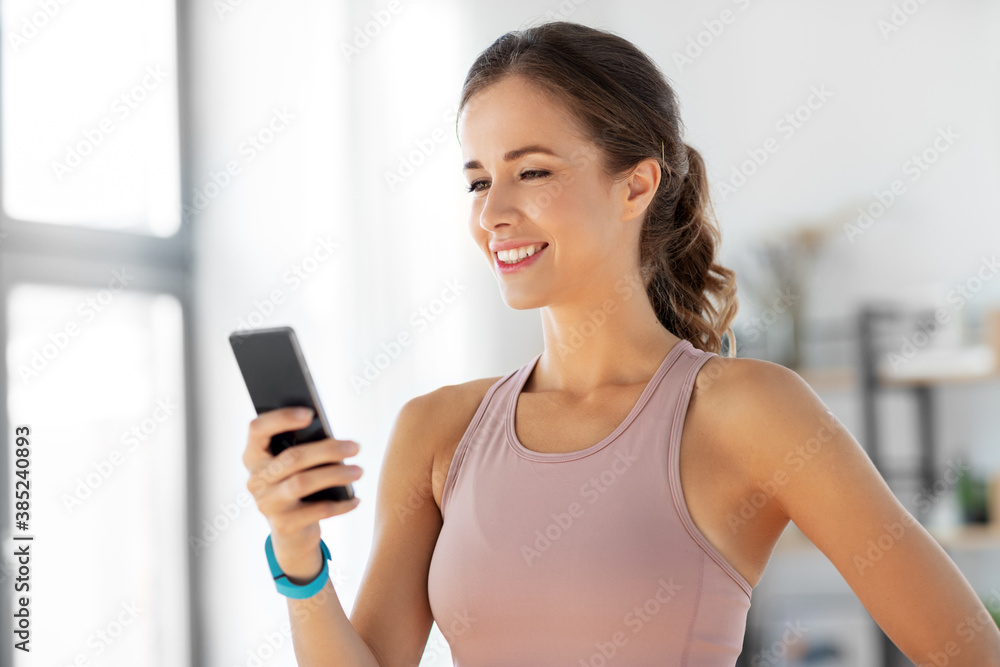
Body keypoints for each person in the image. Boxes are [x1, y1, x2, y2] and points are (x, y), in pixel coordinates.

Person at [241, 21, 1000, 667]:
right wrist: (298, 552)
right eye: (477, 182)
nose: (494, 213)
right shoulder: (437, 430)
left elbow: (966, 649)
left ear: (635, 186)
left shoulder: (749, 411)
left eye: (531, 171)